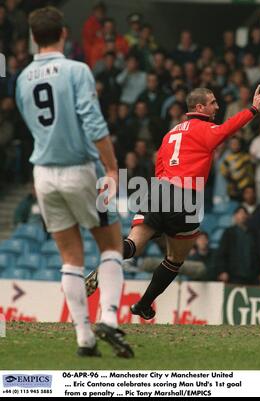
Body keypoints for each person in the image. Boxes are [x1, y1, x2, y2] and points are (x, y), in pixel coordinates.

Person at [86, 85, 260, 319]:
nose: (217, 106)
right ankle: (143, 304)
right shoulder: (205, 129)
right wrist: (252, 109)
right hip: (186, 197)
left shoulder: (171, 133)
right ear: (199, 107)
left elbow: (159, 164)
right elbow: (226, 130)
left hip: (157, 190)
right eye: (213, 102)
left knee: (132, 244)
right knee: (174, 258)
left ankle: (106, 260)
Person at [15, 7, 133, 358]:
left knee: (70, 257)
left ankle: (84, 338)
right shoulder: (76, 70)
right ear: (64, 33)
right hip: (81, 168)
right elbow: (94, 123)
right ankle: (109, 317)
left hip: (44, 174)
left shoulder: (22, 79)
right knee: (111, 244)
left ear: (34, 38)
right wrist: (111, 168)